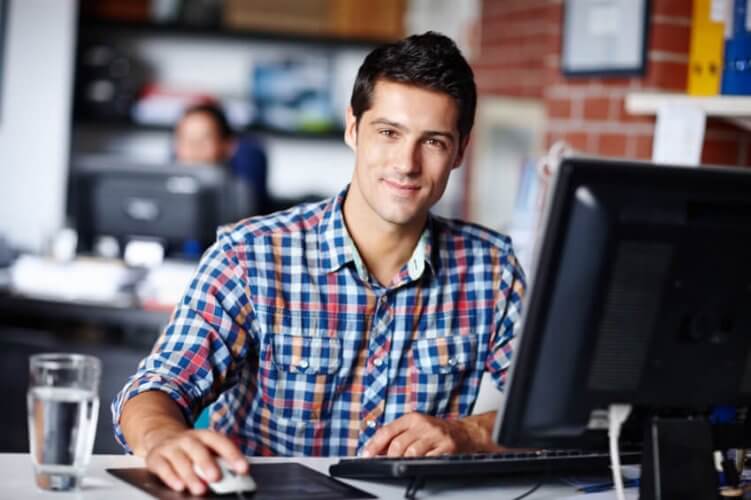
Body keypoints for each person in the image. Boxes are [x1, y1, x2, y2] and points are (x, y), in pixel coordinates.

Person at [113, 31, 526, 496]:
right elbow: (156, 387)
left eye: (432, 141)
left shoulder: (492, 270)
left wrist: (468, 434)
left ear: (460, 151)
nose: (406, 164)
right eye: (388, 133)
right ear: (353, 128)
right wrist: (164, 438)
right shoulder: (250, 255)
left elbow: (557, 418)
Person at [174, 102, 270, 214]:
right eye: (186, 139)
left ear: (228, 145)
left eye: (204, 139)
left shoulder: (239, 197)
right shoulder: (163, 194)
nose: (193, 148)